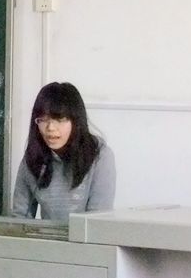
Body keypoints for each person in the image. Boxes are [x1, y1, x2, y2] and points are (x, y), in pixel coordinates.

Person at [11, 82, 116, 220]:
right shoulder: (33, 157)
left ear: (76, 121)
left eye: (60, 119)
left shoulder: (100, 156)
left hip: (85, 234)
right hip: (46, 234)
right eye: (43, 120)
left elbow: (97, 221)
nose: (50, 128)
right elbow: (20, 218)